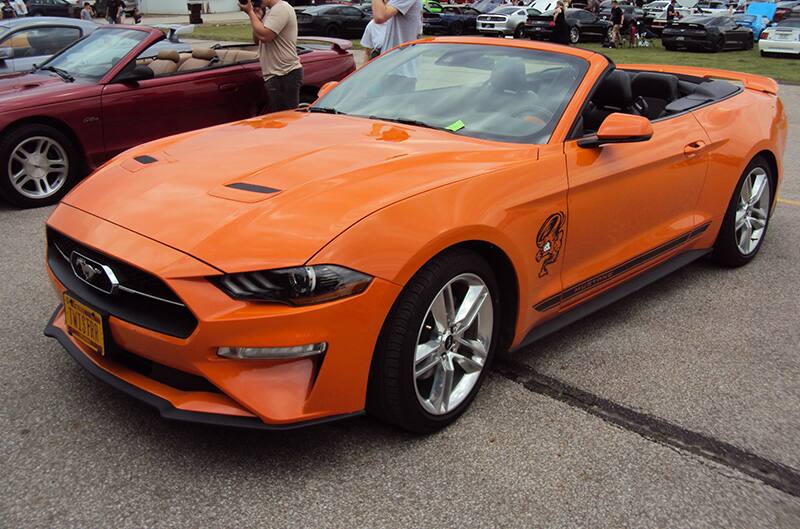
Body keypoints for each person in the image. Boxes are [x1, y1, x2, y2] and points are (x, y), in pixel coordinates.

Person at [241, 0, 303, 113]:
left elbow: (265, 36)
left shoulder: (281, 8)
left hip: (284, 73)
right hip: (276, 73)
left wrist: (250, 12)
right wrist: (257, 18)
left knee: (286, 119)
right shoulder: (271, 11)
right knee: (280, 119)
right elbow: (258, 39)